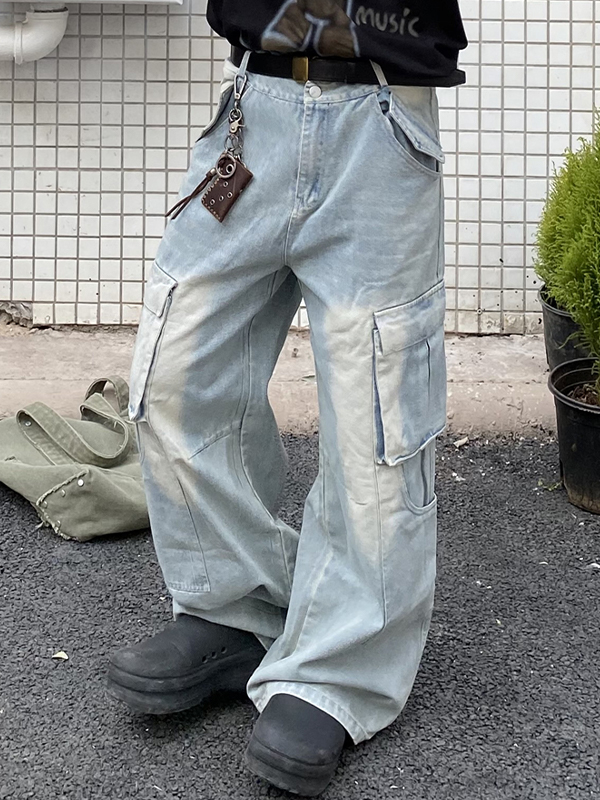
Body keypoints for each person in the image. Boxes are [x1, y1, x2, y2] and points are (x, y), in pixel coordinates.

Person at [107, 1, 468, 795]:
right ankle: (236, 604)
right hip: (252, 111)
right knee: (175, 378)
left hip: (379, 119)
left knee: (376, 421)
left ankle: (338, 670)